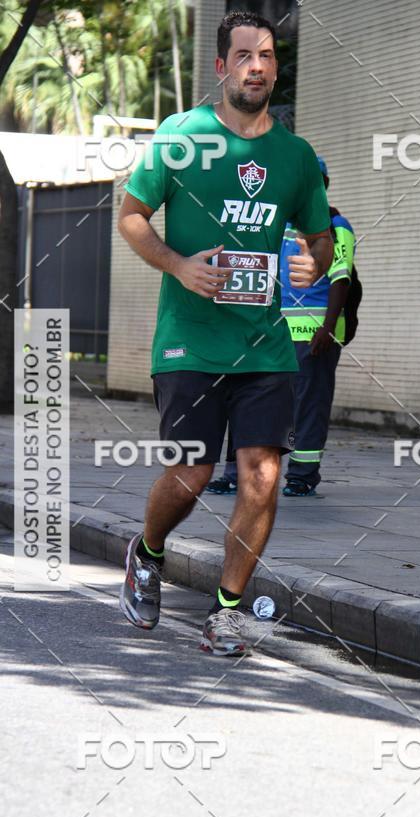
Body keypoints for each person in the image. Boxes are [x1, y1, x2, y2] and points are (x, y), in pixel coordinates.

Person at [117, 10, 333, 655]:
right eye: (244, 56)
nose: (257, 67)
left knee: (262, 476)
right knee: (190, 473)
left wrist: (312, 259)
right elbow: (130, 217)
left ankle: (229, 610)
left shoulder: (294, 155)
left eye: (266, 56)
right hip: (189, 337)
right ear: (221, 66)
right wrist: (179, 266)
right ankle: (148, 553)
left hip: (264, 342)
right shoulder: (181, 136)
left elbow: (320, 237)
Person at [207, 157, 355, 496]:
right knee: (248, 399)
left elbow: (341, 279)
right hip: (271, 330)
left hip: (316, 331)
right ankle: (235, 472)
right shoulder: (278, 224)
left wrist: (328, 328)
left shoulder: (335, 224)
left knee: (309, 403)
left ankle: (302, 475)